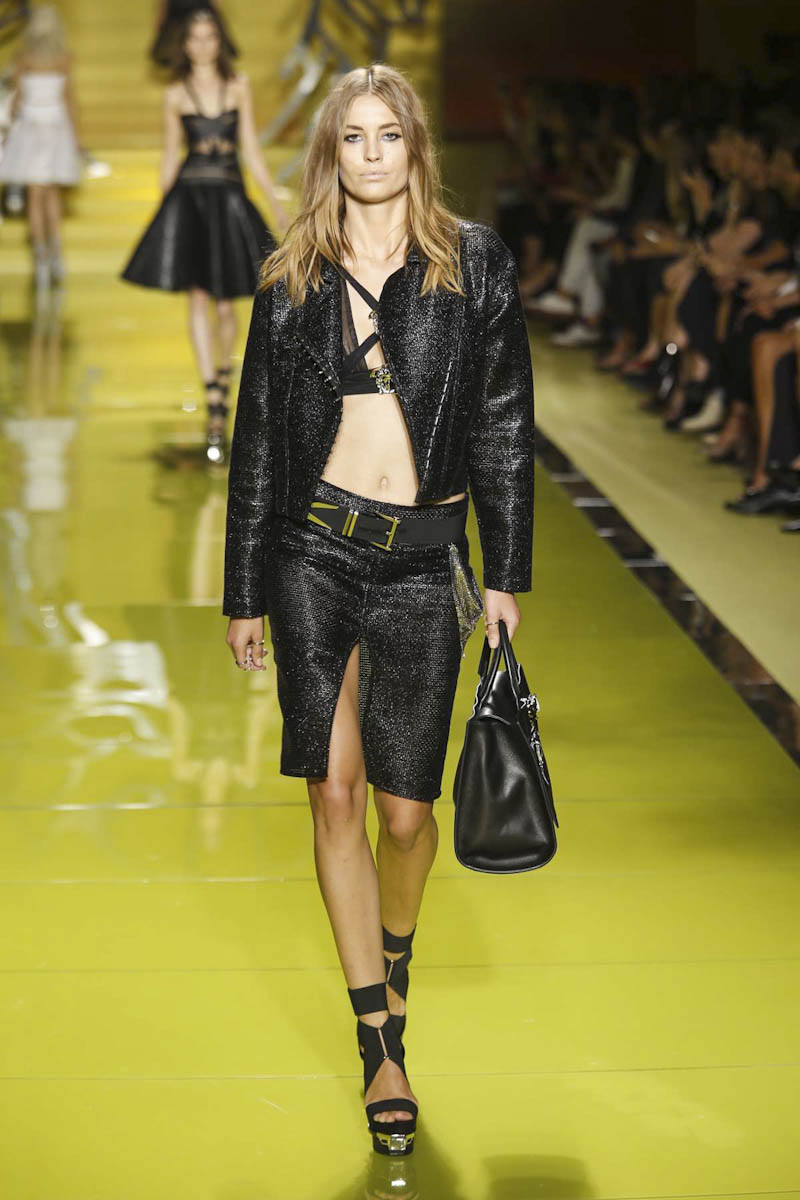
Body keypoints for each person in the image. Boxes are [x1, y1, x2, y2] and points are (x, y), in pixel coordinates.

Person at [222, 64, 535, 1155]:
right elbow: (259, 440)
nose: (369, 153)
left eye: (387, 134)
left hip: (420, 564)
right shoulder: (291, 280)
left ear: (414, 148)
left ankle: (394, 953)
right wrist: (243, 591)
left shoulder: (471, 265)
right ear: (330, 153)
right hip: (311, 554)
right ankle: (377, 1041)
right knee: (334, 792)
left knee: (407, 816)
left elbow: (502, 423)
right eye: (351, 136)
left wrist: (505, 575)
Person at [122, 8, 288, 460]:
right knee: (198, 297)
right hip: (191, 200)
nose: (201, 45)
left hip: (229, 199)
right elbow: (170, 153)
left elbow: (250, 148)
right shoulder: (175, 93)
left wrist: (274, 202)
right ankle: (212, 394)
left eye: (209, 36)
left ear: (220, 40)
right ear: (184, 44)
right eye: (194, 37)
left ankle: (223, 378)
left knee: (227, 304)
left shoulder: (239, 86)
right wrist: (164, 215)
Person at [0, 5, 82, 290]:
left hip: (31, 130)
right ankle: (54, 253)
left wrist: (9, 130)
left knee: (35, 197)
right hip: (54, 129)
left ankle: (42, 257)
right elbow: (70, 99)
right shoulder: (63, 59)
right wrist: (77, 138)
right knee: (51, 195)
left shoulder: (23, 59)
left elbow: (17, 99)